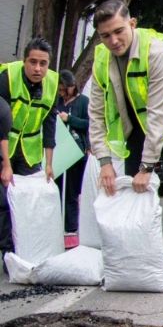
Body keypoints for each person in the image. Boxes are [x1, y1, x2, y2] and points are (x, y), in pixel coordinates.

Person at [87, 0, 163, 292]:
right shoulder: (101, 59)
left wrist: (147, 167)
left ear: (132, 23)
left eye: (118, 31)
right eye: (105, 35)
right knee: (131, 191)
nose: (113, 41)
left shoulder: (157, 52)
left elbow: (158, 112)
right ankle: (135, 261)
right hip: (134, 127)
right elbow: (96, 112)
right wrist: (104, 162)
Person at [0, 38, 59, 261]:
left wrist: (49, 164)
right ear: (24, 61)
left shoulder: (52, 84)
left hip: (29, 151)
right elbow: (1, 123)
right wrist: (6, 165)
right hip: (3, 144)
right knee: (4, 202)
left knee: (28, 201)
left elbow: (50, 124)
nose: (37, 68)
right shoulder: (8, 77)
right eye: (32, 62)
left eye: (43, 63)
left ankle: (27, 249)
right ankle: (9, 254)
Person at [54, 70, 90, 249]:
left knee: (71, 192)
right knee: (58, 189)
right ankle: (57, 227)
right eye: (59, 90)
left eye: (64, 89)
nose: (62, 93)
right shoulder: (57, 102)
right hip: (59, 151)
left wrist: (70, 119)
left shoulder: (83, 102)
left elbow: (89, 123)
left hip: (76, 152)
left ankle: (71, 229)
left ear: (72, 86)